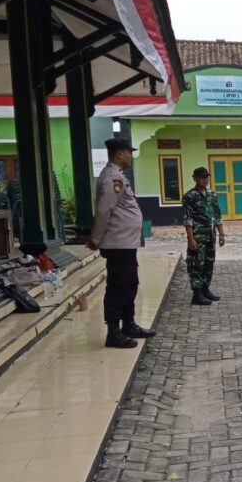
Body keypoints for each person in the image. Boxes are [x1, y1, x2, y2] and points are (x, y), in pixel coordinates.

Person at [88, 138, 156, 348]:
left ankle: (129, 324)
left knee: (130, 284)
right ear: (119, 154)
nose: (131, 156)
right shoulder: (112, 177)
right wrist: (96, 237)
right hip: (117, 243)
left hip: (125, 242)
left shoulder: (118, 176)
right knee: (119, 286)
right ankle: (114, 332)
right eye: (129, 152)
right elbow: (104, 209)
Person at [183, 166, 226, 306]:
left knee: (208, 264)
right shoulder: (189, 196)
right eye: (202, 177)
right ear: (194, 178)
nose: (205, 179)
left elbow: (217, 215)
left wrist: (221, 234)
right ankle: (197, 294)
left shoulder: (212, 195)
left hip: (210, 236)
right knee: (196, 265)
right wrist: (191, 239)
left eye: (207, 177)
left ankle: (205, 290)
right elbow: (188, 219)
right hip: (197, 237)